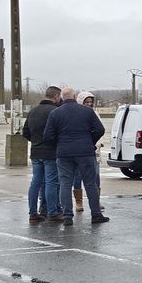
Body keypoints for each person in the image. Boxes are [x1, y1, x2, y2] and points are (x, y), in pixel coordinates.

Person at [43, 89, 108, 226]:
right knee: (90, 183)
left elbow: (47, 136)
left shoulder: (55, 113)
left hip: (64, 153)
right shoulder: (87, 111)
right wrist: (90, 141)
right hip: (85, 151)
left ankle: (67, 216)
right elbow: (100, 129)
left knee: (65, 184)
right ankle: (96, 214)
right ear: (74, 96)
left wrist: (59, 144)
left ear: (62, 97)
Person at [22, 85, 63, 223]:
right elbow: (59, 133)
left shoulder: (33, 111)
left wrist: (35, 141)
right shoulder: (55, 111)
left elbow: (25, 132)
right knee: (52, 182)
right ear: (56, 96)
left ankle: (33, 213)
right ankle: (52, 212)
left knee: (36, 182)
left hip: (35, 151)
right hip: (50, 152)